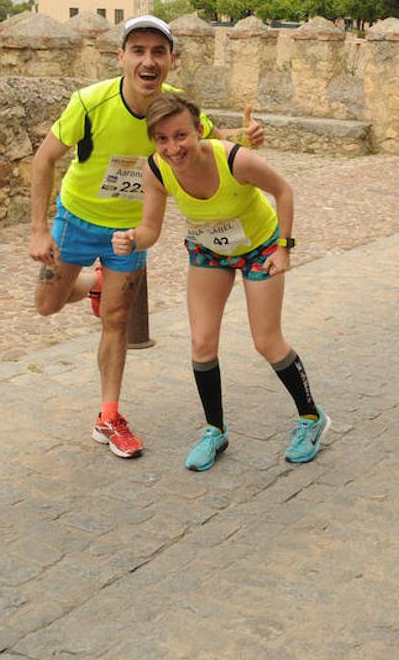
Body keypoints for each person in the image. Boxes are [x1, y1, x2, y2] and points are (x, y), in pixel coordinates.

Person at [28, 15, 263, 460]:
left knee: (116, 320)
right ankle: (93, 284)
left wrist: (244, 138)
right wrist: (40, 228)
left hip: (130, 234)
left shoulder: (176, 109)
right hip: (75, 220)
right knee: (46, 304)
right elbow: (44, 160)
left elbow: (212, 139)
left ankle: (109, 416)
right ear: (121, 57)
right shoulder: (90, 103)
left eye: (159, 52)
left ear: (172, 59)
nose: (148, 61)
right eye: (138, 50)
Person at [111, 92, 328, 468]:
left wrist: (284, 248)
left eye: (180, 136)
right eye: (161, 139)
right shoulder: (156, 170)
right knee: (202, 342)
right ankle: (215, 430)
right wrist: (131, 239)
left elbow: (283, 191)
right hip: (208, 250)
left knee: (266, 341)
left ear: (198, 131)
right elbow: (150, 229)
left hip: (260, 246)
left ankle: (311, 418)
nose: (173, 147)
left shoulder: (233, 158)